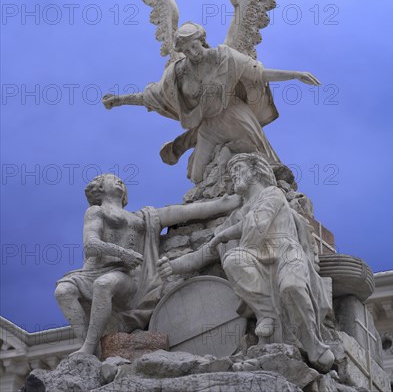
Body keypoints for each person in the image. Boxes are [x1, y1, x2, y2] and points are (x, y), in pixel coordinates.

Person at [158, 153, 335, 372]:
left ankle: (313, 344)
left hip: (287, 253)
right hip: (255, 255)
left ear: (256, 171)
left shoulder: (273, 194)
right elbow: (206, 252)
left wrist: (224, 236)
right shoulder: (236, 216)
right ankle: (267, 314)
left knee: (292, 287)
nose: (234, 176)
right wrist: (174, 266)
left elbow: (258, 223)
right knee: (233, 259)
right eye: (231, 172)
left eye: (238, 169)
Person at [102, 22, 320, 185]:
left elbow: (259, 74)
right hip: (209, 125)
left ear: (202, 40)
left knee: (258, 163)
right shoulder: (178, 73)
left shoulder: (224, 57)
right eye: (186, 50)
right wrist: (119, 100)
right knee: (199, 177)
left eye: (194, 46)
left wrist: (295, 75)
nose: (192, 53)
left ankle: (262, 195)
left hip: (235, 116)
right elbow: (152, 96)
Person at [54, 173, 240, 356]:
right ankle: (89, 347)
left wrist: (225, 204)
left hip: (124, 278)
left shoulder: (144, 217)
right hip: (92, 272)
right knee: (63, 291)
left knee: (104, 284)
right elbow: (90, 245)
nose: (119, 180)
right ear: (100, 187)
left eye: (122, 181)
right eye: (112, 178)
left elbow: (182, 212)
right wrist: (123, 253)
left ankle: (89, 347)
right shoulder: (96, 212)